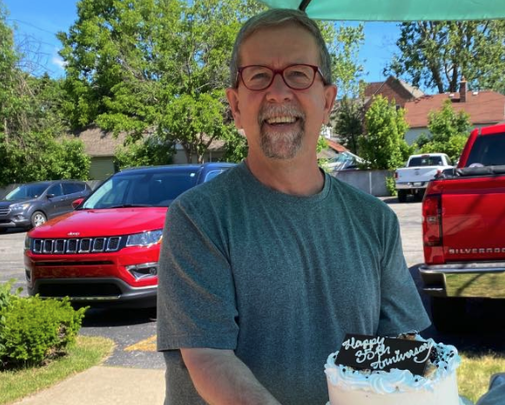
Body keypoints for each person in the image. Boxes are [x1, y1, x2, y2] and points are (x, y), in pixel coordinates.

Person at [156, 8, 430, 405]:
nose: (278, 92)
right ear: (235, 104)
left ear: (328, 100)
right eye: (259, 76)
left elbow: (399, 347)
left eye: (299, 74)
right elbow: (209, 359)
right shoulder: (198, 218)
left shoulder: (375, 222)